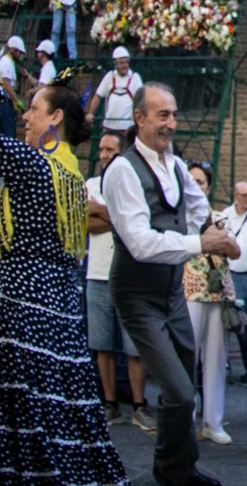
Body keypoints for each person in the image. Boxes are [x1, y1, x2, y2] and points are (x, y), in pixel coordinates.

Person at [0, 82, 128, 484]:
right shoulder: (71, 177)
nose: (24, 115)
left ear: (55, 118)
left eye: (33, 108)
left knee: (23, 411)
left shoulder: (34, 165)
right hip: (60, 315)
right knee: (59, 407)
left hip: (24, 314)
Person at [103, 83, 239, 486]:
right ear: (139, 118)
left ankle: (183, 468)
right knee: (179, 391)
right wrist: (202, 242)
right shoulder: (122, 170)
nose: (172, 124)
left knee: (186, 390)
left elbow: (199, 210)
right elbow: (140, 243)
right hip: (136, 295)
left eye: (174, 115)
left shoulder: (176, 165)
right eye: (163, 115)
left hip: (171, 292)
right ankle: (169, 474)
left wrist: (221, 233)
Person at [84, 130, 151, 429]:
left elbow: (135, 224)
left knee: (135, 346)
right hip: (97, 274)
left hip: (129, 276)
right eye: (101, 149)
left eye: (110, 149)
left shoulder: (131, 185)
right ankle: (110, 404)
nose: (104, 154)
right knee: (102, 345)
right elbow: (86, 223)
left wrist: (102, 211)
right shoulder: (90, 185)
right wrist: (114, 216)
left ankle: (139, 404)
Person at [183, 161, 234, 445]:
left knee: (215, 358)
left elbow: (235, 249)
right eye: (192, 182)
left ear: (208, 186)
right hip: (188, 292)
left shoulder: (219, 217)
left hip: (217, 293)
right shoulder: (179, 218)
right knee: (185, 357)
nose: (197, 187)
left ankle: (213, 421)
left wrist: (218, 240)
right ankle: (185, 419)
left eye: (201, 182)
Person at [215, 180, 247, 382]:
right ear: (236, 196)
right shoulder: (226, 216)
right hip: (236, 274)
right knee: (245, 324)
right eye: (244, 196)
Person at [88, 46, 142, 138]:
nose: (124, 65)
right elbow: (98, 96)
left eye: (126, 62)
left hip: (127, 127)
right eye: (121, 63)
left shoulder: (135, 78)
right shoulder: (109, 76)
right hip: (109, 126)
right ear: (115, 64)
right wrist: (90, 113)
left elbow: (141, 100)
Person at [0, 34, 27, 137]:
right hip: (5, 102)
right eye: (19, 52)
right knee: (9, 133)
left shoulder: (6, 61)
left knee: (1, 133)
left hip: (1, 100)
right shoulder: (7, 62)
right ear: (13, 50)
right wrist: (16, 101)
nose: (20, 55)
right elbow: (6, 85)